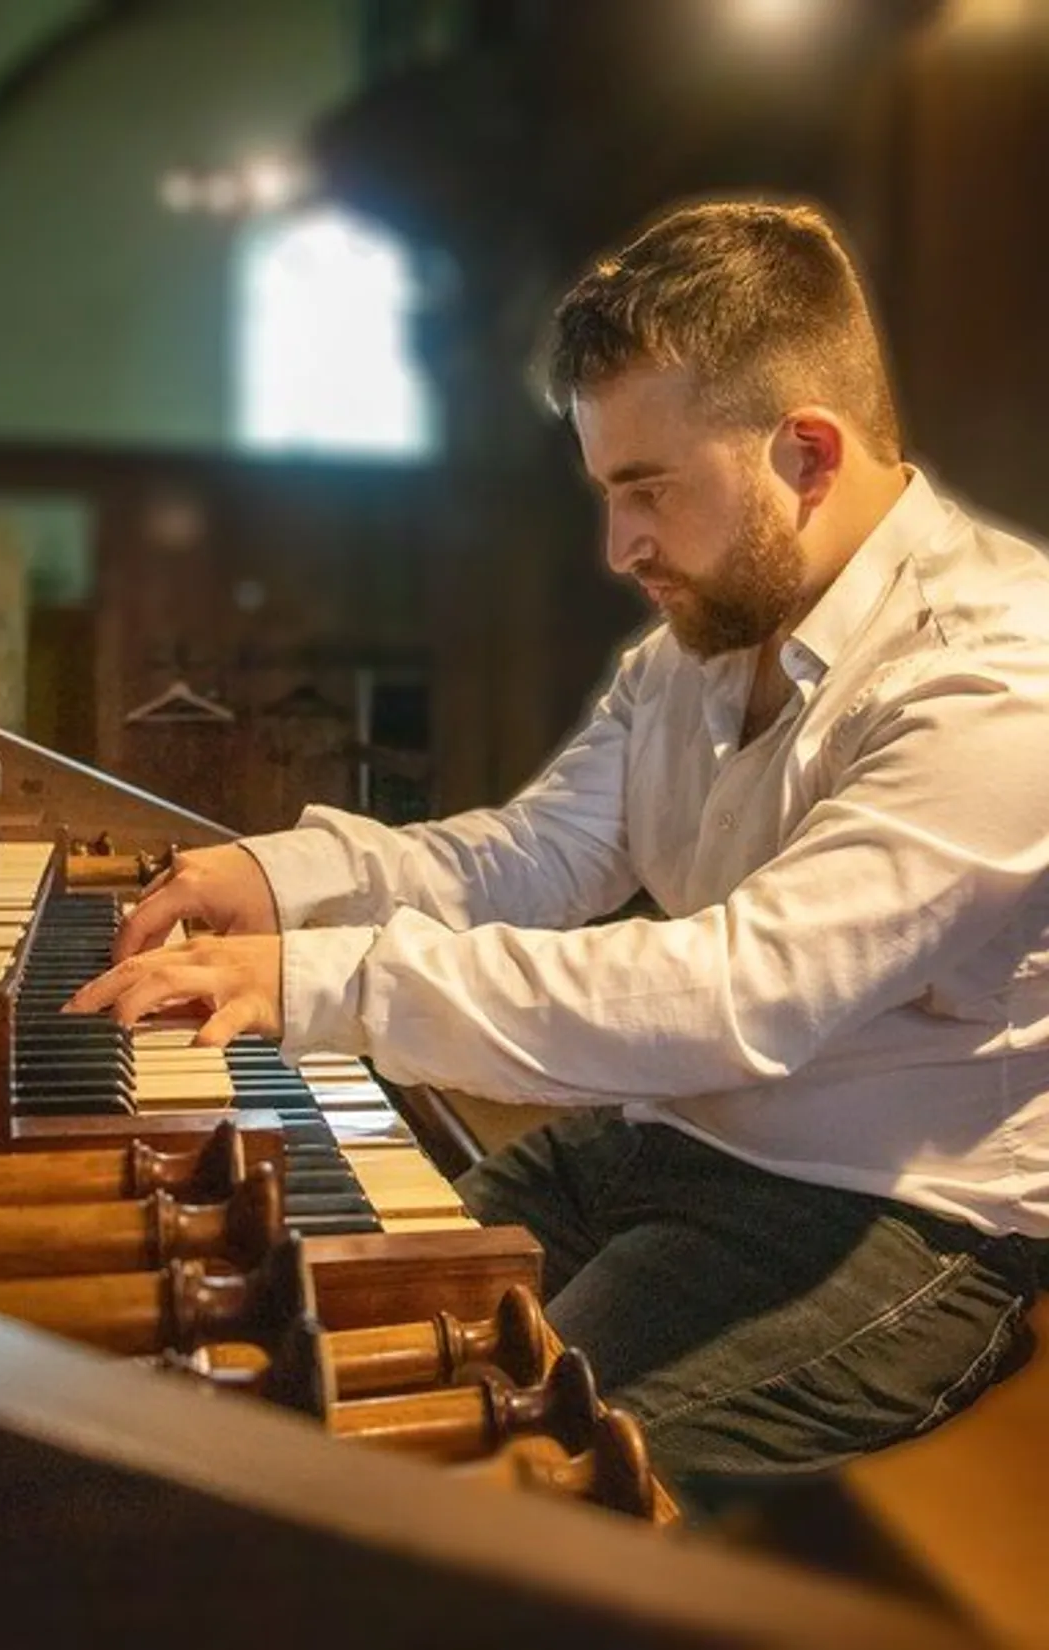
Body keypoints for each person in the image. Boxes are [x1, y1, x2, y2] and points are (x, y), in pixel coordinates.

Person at [69, 198, 1049, 1508]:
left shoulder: (999, 671)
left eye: (648, 489)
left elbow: (739, 992)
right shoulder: (691, 652)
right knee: (302, 1339)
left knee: (468, 1492)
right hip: (652, 1139)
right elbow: (536, 854)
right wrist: (281, 881)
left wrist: (325, 982)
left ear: (807, 454)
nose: (620, 545)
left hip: (887, 1222)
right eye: (607, 492)